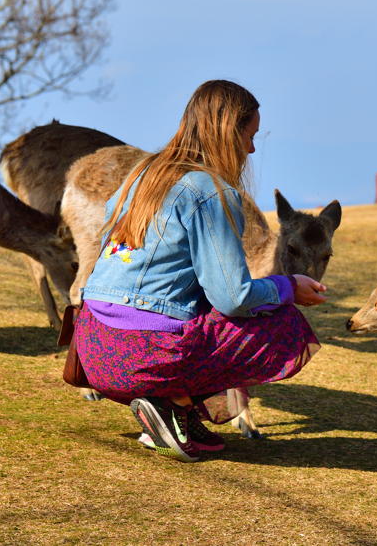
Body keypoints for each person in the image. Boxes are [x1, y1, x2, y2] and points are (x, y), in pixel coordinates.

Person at [75, 79, 326, 462]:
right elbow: (233, 297)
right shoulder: (211, 192)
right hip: (139, 355)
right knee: (284, 324)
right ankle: (170, 402)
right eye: (250, 135)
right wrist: (288, 285)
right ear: (229, 133)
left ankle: (172, 411)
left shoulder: (141, 175)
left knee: (211, 318)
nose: (252, 148)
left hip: (92, 345)